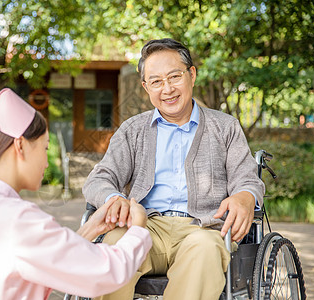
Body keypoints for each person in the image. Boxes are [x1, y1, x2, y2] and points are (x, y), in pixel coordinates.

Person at [0, 88, 152, 300]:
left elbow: (47, 259)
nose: (46, 162)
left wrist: (92, 227)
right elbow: (105, 272)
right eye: (44, 148)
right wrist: (138, 228)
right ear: (20, 146)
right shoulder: (18, 219)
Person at [83, 38, 265, 300]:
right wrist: (115, 199)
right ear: (146, 87)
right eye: (156, 81)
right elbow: (99, 179)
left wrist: (245, 196)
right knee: (114, 245)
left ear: (191, 74)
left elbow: (247, 179)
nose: (167, 89)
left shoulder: (225, 127)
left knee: (205, 249)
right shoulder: (133, 130)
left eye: (174, 77)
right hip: (145, 226)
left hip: (201, 229)